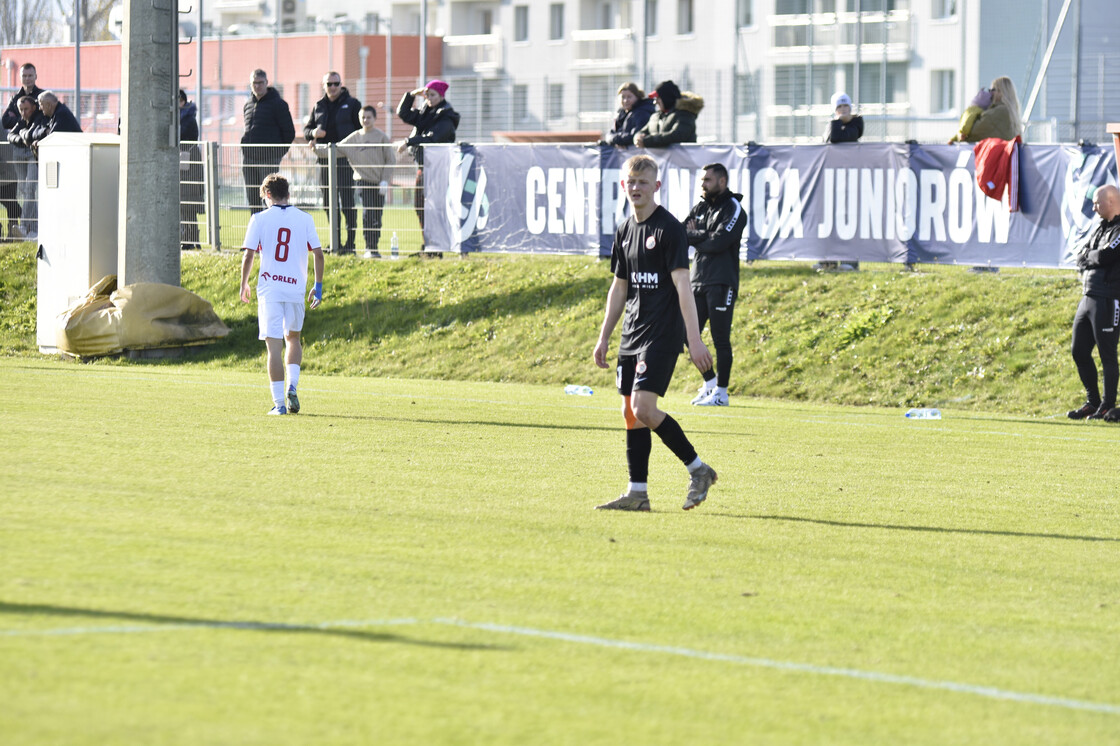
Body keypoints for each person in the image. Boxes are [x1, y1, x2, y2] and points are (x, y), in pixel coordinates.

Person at [593, 154, 719, 512]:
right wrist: (604, 336)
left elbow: (684, 287)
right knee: (630, 413)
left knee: (644, 407)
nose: (636, 188)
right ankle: (637, 493)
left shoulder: (669, 230)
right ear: (623, 186)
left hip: (662, 333)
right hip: (632, 332)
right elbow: (620, 287)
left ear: (656, 186)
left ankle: (698, 470)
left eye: (643, 183)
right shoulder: (624, 230)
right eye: (631, 182)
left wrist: (694, 339)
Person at [239, 173, 325, 416]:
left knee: (273, 346)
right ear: (288, 194)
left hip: (270, 290)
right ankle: (292, 386)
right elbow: (319, 254)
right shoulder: (305, 219)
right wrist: (317, 287)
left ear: (268, 195)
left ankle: (279, 404)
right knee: (293, 339)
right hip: (296, 288)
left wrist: (244, 283)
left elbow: (249, 254)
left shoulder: (258, 219)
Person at [684, 163, 746, 407]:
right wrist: (701, 235)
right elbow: (682, 232)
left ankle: (722, 392)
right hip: (697, 279)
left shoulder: (734, 208)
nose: (703, 184)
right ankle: (709, 383)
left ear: (722, 181)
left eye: (707, 180)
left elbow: (719, 242)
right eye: (702, 179)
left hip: (722, 282)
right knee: (687, 334)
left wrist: (697, 235)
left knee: (721, 338)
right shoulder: (700, 206)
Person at [1067, 185, 1120, 422]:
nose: (1093, 207)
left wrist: (1091, 256)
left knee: (1107, 355)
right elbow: (1082, 254)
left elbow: (1106, 256)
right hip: (1088, 296)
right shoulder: (1099, 227)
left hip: (1108, 298)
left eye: (1097, 203)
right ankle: (1093, 401)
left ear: (1111, 202)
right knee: (1078, 351)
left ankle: (1108, 406)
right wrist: (1092, 256)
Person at [304, 71, 362, 253]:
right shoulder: (318, 106)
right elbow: (307, 129)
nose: (333, 87)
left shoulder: (352, 104)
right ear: (324, 86)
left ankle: (350, 244)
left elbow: (360, 130)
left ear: (341, 84)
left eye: (336, 83)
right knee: (328, 203)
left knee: (347, 202)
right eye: (329, 84)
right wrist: (314, 134)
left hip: (345, 159)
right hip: (324, 160)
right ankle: (334, 242)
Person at [396, 79, 460, 232]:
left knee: (435, 206)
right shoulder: (426, 112)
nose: (429, 99)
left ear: (441, 96)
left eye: (433, 95)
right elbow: (403, 113)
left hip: (439, 167)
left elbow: (433, 138)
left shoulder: (446, 117)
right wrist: (411, 95)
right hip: (424, 166)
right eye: (427, 95)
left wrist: (408, 141)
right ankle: (428, 244)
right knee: (420, 205)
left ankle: (437, 245)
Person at [341, 105, 394, 258]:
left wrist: (384, 181)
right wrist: (315, 148)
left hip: (379, 183)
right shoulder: (355, 137)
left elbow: (390, 160)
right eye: (363, 117)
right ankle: (369, 247)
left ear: (375, 118)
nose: (365, 120)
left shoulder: (381, 137)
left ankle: (374, 247)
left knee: (377, 215)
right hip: (362, 181)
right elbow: (337, 149)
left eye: (368, 117)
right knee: (368, 213)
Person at [241, 69, 296, 214]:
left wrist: (276, 153)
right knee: (253, 198)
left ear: (267, 83)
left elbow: (289, 132)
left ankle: (271, 231)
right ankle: (257, 232)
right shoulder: (248, 105)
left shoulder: (278, 104)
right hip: (249, 158)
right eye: (254, 83)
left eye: (260, 82)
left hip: (268, 158)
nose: (257, 86)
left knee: (270, 197)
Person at [5, 96, 44, 239]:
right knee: (23, 189)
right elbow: (11, 136)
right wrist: (22, 138)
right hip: (20, 154)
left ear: (33, 107)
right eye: (21, 110)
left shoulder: (39, 118)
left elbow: (33, 134)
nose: (23, 113)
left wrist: (23, 135)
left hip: (33, 155)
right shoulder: (22, 121)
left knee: (30, 188)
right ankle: (34, 229)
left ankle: (24, 225)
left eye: (26, 109)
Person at [633, 80, 703, 148]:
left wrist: (646, 141)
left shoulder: (685, 115)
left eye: (658, 98)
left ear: (666, 98)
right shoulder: (655, 116)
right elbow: (642, 131)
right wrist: (637, 138)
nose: (655, 102)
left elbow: (676, 136)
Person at [959, 75, 1023, 142]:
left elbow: (972, 132)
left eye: (992, 90)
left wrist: (974, 109)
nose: (990, 93)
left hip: (999, 151)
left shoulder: (998, 112)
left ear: (1000, 92)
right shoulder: (1010, 111)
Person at [179, 89, 203, 251]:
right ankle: (189, 238)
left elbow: (179, 134)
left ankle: (190, 238)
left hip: (188, 164)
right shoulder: (184, 117)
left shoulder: (187, 119)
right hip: (185, 162)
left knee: (188, 203)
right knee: (184, 204)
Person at [604, 82, 656, 147]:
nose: (626, 100)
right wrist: (616, 140)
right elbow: (610, 134)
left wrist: (617, 140)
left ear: (637, 97)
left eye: (629, 97)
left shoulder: (642, 113)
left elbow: (635, 136)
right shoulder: (621, 114)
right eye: (623, 97)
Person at [1, 63, 44, 131]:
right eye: (24, 76)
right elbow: (5, 122)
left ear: (36, 76)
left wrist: (17, 118)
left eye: (30, 75)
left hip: (37, 137)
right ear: (20, 78)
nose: (27, 78)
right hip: (17, 137)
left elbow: (43, 120)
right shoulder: (14, 98)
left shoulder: (43, 96)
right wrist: (27, 119)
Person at [0, 122, 23, 240]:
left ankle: (14, 230)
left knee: (11, 204)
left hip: (6, 173)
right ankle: (13, 231)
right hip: (10, 172)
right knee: (11, 204)